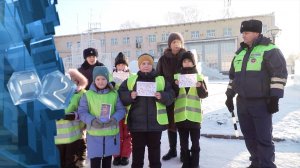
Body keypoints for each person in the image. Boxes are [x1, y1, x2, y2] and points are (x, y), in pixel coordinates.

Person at [225, 19, 288, 168]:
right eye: (242, 33)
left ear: (256, 33)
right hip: (242, 102)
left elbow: (278, 74)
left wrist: (275, 98)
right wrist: (229, 95)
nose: (243, 36)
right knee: (249, 136)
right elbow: (234, 77)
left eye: (246, 33)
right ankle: (256, 162)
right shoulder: (239, 53)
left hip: (261, 102)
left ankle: (266, 165)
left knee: (263, 138)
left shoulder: (270, 49)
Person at [118, 53, 175, 168]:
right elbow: (120, 95)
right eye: (143, 63)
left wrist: (162, 96)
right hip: (137, 124)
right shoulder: (131, 80)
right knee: (138, 154)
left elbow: (171, 96)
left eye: (149, 63)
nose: (146, 65)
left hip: (155, 124)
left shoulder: (161, 80)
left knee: (154, 153)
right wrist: (130, 96)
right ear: (139, 66)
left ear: (152, 65)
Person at [78, 66, 126, 168]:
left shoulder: (114, 94)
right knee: (95, 163)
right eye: (98, 79)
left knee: (107, 162)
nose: (101, 82)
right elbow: (82, 112)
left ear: (107, 79)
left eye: (103, 79)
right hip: (94, 134)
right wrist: (92, 120)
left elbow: (121, 110)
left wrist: (114, 119)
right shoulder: (87, 95)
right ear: (94, 80)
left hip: (110, 134)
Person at [174, 51, 208, 168]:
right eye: (185, 61)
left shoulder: (199, 77)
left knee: (195, 144)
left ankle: (195, 164)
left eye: (189, 61)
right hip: (181, 117)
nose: (187, 63)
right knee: (183, 144)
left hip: (194, 118)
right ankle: (186, 163)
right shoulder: (176, 77)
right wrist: (176, 86)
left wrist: (200, 86)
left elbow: (204, 95)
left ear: (193, 63)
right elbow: (172, 95)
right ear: (181, 63)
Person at [156, 32, 186, 161]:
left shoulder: (186, 57)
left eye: (179, 42)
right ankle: (172, 150)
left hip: (184, 95)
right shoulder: (163, 59)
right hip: (169, 96)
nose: (177, 44)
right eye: (174, 42)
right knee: (171, 124)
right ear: (169, 44)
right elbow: (158, 76)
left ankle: (184, 151)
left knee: (184, 124)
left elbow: (193, 72)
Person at [55, 69, 88, 168]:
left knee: (71, 163)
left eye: (74, 80)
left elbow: (86, 111)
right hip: (57, 137)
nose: (71, 83)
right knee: (60, 163)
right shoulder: (54, 94)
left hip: (75, 135)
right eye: (68, 80)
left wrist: (75, 115)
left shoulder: (82, 94)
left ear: (79, 81)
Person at [112, 52, 132, 166]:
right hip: (115, 111)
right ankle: (116, 155)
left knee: (127, 134)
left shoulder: (132, 76)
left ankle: (125, 155)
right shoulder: (110, 77)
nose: (121, 67)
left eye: (123, 64)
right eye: (119, 65)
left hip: (128, 110)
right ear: (116, 65)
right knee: (116, 133)